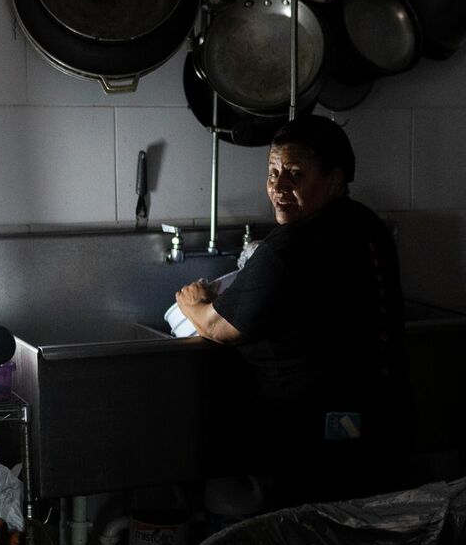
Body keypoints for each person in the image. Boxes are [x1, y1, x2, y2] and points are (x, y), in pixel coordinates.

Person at [174, 115, 408, 504]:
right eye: (273, 172)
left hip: (314, 437)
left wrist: (193, 303)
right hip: (381, 422)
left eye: (295, 175)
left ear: (334, 180)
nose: (278, 187)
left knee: (311, 542)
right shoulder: (368, 225)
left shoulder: (291, 248)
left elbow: (219, 327)